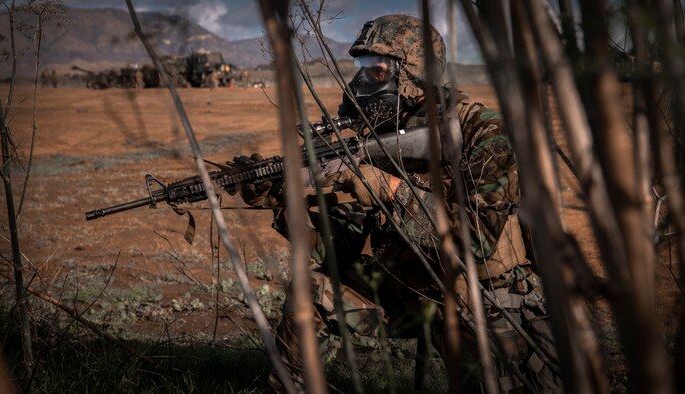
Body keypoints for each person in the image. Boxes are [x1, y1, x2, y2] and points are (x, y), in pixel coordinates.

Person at [231, 14, 561, 393]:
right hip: (410, 290)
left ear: (413, 72)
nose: (362, 80)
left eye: (375, 69)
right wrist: (280, 197)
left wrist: (388, 188)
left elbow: (478, 241)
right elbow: (339, 243)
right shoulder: (379, 133)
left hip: (484, 301)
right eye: (361, 68)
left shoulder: (480, 130)